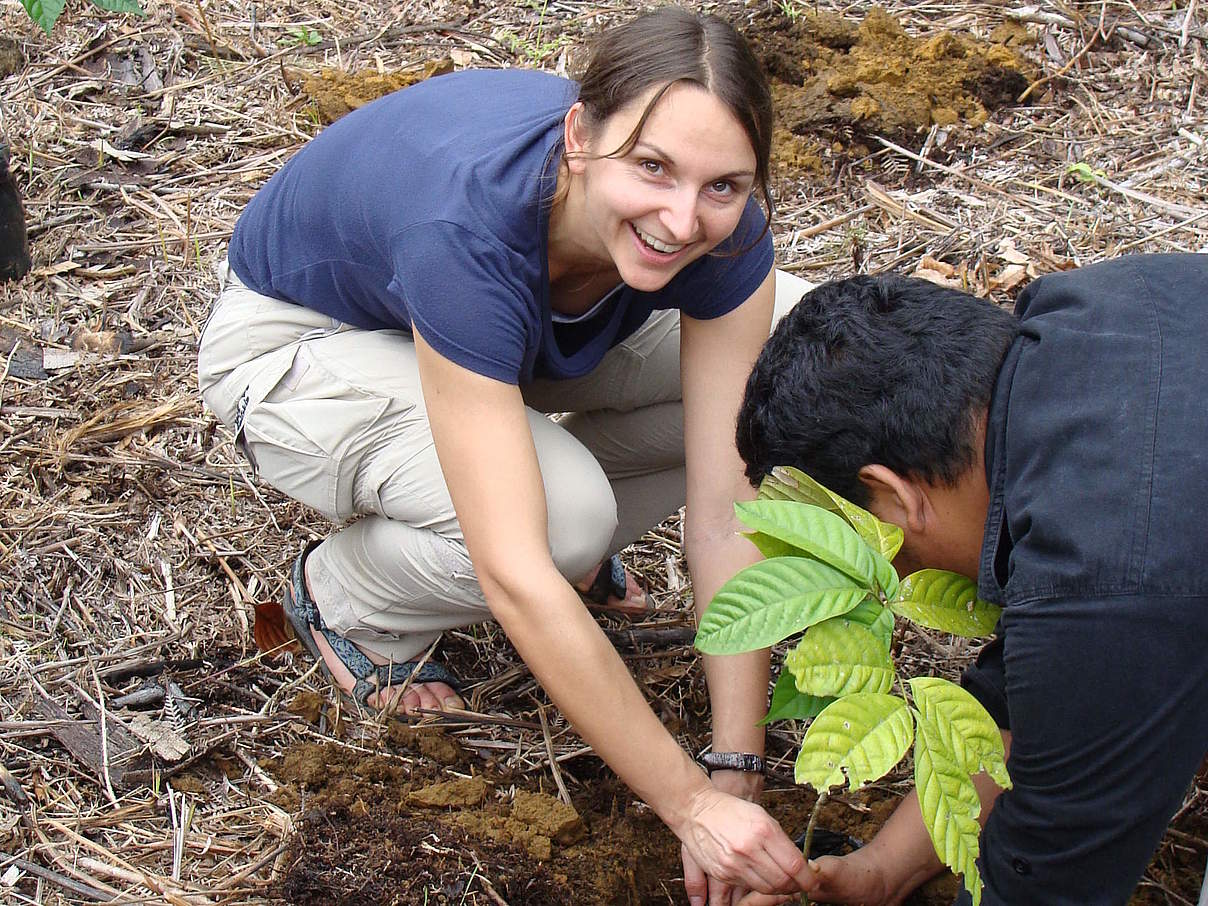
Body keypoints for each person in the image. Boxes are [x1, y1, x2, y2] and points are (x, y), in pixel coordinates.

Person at [198, 7, 817, 904]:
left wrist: (736, 770)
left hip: (494, 340)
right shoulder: (469, 227)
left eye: (724, 185)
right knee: (558, 528)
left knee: (790, 374)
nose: (684, 219)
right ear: (579, 136)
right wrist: (688, 808)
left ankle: (517, 467)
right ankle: (348, 599)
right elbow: (515, 572)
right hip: (308, 343)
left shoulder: (712, 229)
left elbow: (727, 508)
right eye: (653, 168)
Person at [733, 254, 1208, 905]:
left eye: (869, 551)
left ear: (892, 497)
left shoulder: (1113, 586)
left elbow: (1050, 882)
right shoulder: (1101, 304)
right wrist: (880, 873)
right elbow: (1027, 703)